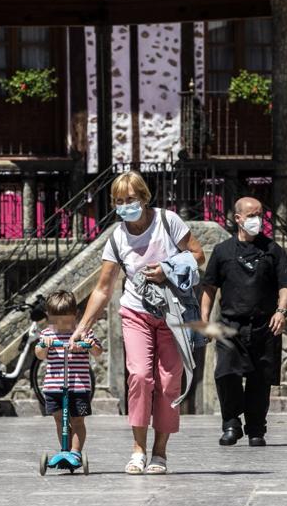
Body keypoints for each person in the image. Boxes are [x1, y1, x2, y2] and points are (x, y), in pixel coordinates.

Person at [71, 171, 204, 475]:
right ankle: (138, 449)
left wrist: (168, 269)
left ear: (144, 198)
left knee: (170, 383)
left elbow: (198, 255)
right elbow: (104, 287)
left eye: (130, 199)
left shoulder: (168, 221)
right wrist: (83, 325)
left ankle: (160, 452)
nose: (125, 205)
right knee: (141, 376)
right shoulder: (117, 237)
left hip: (173, 314)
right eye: (119, 201)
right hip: (135, 312)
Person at [200, 196, 287, 447]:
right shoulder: (222, 252)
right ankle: (231, 423)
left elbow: (285, 286)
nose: (257, 220)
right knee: (226, 374)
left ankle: (255, 428)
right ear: (238, 218)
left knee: (260, 380)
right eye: (251, 215)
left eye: (260, 214)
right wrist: (204, 318)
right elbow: (209, 287)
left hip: (264, 325)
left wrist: (281, 312)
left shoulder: (273, 250)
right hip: (230, 324)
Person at [34, 291, 103, 463]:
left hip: (79, 386)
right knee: (59, 420)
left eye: (66, 321)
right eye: (56, 321)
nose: (61, 325)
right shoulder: (47, 334)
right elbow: (39, 355)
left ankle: (75, 452)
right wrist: (44, 345)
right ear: (49, 317)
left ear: (76, 315)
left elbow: (98, 352)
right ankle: (64, 450)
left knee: (78, 420)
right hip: (54, 386)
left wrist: (89, 345)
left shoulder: (83, 332)